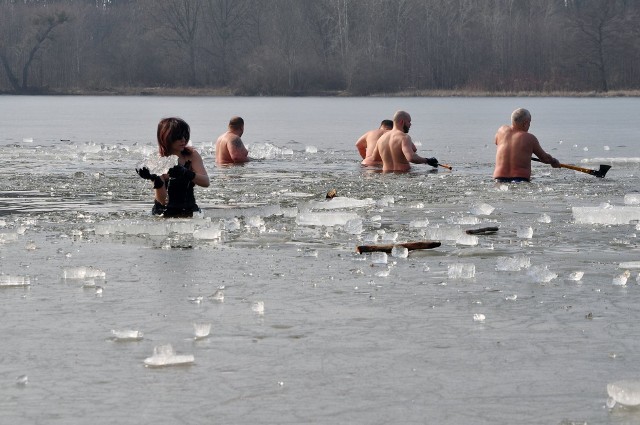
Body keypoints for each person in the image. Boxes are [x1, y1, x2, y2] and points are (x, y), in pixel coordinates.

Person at [136, 117, 209, 218]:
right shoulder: (157, 160)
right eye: (179, 137)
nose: (183, 140)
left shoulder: (192, 155)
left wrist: (185, 173)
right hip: (164, 213)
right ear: (166, 137)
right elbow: (163, 200)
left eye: (185, 136)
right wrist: (155, 179)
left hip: (190, 210)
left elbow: (206, 182)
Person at [493, 108, 560, 182]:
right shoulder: (530, 138)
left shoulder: (501, 131)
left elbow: (497, 142)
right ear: (525, 123)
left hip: (499, 179)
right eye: (529, 122)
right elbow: (545, 158)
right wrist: (553, 161)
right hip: (520, 180)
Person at [374, 110, 438, 172]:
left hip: (386, 175)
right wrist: (427, 160)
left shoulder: (381, 139)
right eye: (409, 122)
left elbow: (375, 158)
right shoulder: (404, 137)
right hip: (403, 174)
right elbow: (411, 157)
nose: (410, 124)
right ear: (402, 122)